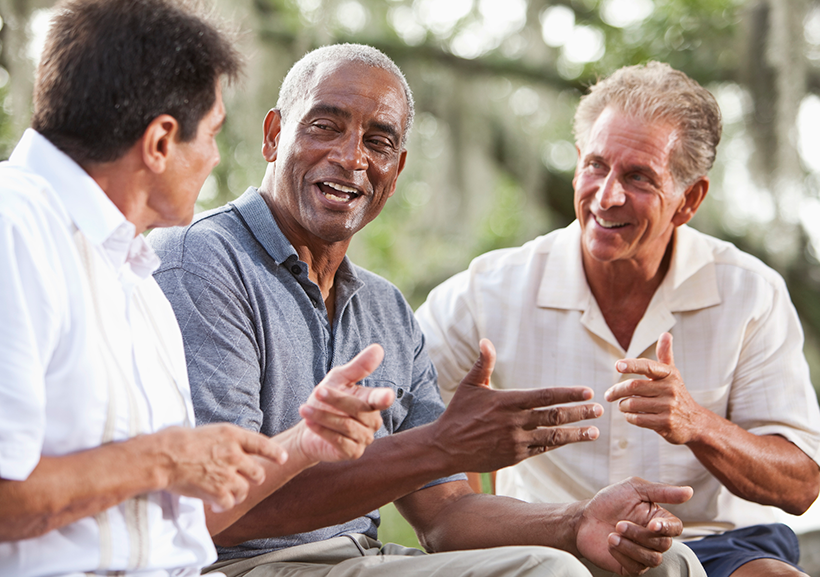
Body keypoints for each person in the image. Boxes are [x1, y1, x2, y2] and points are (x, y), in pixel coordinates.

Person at [149, 44, 704, 577]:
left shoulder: (386, 307)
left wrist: (577, 521)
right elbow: (222, 508)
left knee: (667, 563)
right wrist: (441, 445)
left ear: (398, 167)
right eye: (325, 126)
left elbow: (444, 515)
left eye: (379, 141)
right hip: (244, 565)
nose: (352, 157)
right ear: (274, 135)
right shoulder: (202, 261)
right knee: (546, 572)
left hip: (366, 557)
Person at [0, 2, 392, 576]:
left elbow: (190, 516)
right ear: (160, 141)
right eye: (210, 134)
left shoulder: (134, 277)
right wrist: (161, 459)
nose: (213, 158)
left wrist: (305, 442)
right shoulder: (16, 231)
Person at [416, 62, 820, 577]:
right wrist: (458, 510)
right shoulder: (489, 287)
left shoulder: (750, 291)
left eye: (638, 177)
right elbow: (398, 408)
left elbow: (800, 484)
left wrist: (697, 424)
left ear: (689, 200)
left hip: (712, 544)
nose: (606, 196)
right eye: (595, 166)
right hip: (549, 542)